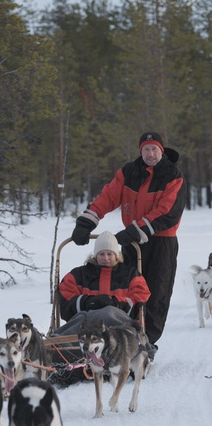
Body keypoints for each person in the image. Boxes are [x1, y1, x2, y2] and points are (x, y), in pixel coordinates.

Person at [70, 131, 186, 349]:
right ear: (140, 151)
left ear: (161, 151)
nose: (150, 153)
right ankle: (121, 339)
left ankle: (146, 343)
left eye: (154, 149)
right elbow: (108, 197)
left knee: (156, 294)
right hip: (132, 243)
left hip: (161, 243)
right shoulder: (128, 172)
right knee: (126, 290)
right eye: (146, 149)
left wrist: (135, 229)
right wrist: (87, 221)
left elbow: (167, 212)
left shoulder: (172, 174)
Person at [58, 230, 151, 322]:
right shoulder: (78, 275)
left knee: (110, 313)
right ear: (95, 256)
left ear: (116, 256)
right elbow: (66, 303)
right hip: (85, 325)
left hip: (121, 326)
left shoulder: (130, 275)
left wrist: (116, 304)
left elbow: (140, 298)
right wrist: (88, 302)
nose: (106, 258)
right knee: (81, 320)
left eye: (110, 254)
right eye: (101, 254)